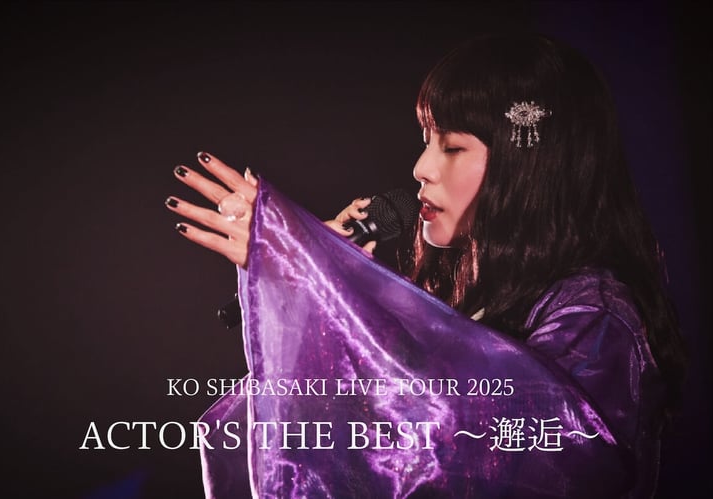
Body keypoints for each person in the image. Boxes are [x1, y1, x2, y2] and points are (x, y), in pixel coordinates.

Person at [166, 33, 684, 498]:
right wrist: (314, 299)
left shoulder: (594, 314)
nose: (421, 168)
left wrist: (334, 293)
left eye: (453, 146)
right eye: (426, 140)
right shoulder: (460, 292)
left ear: (531, 163)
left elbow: (492, 449)